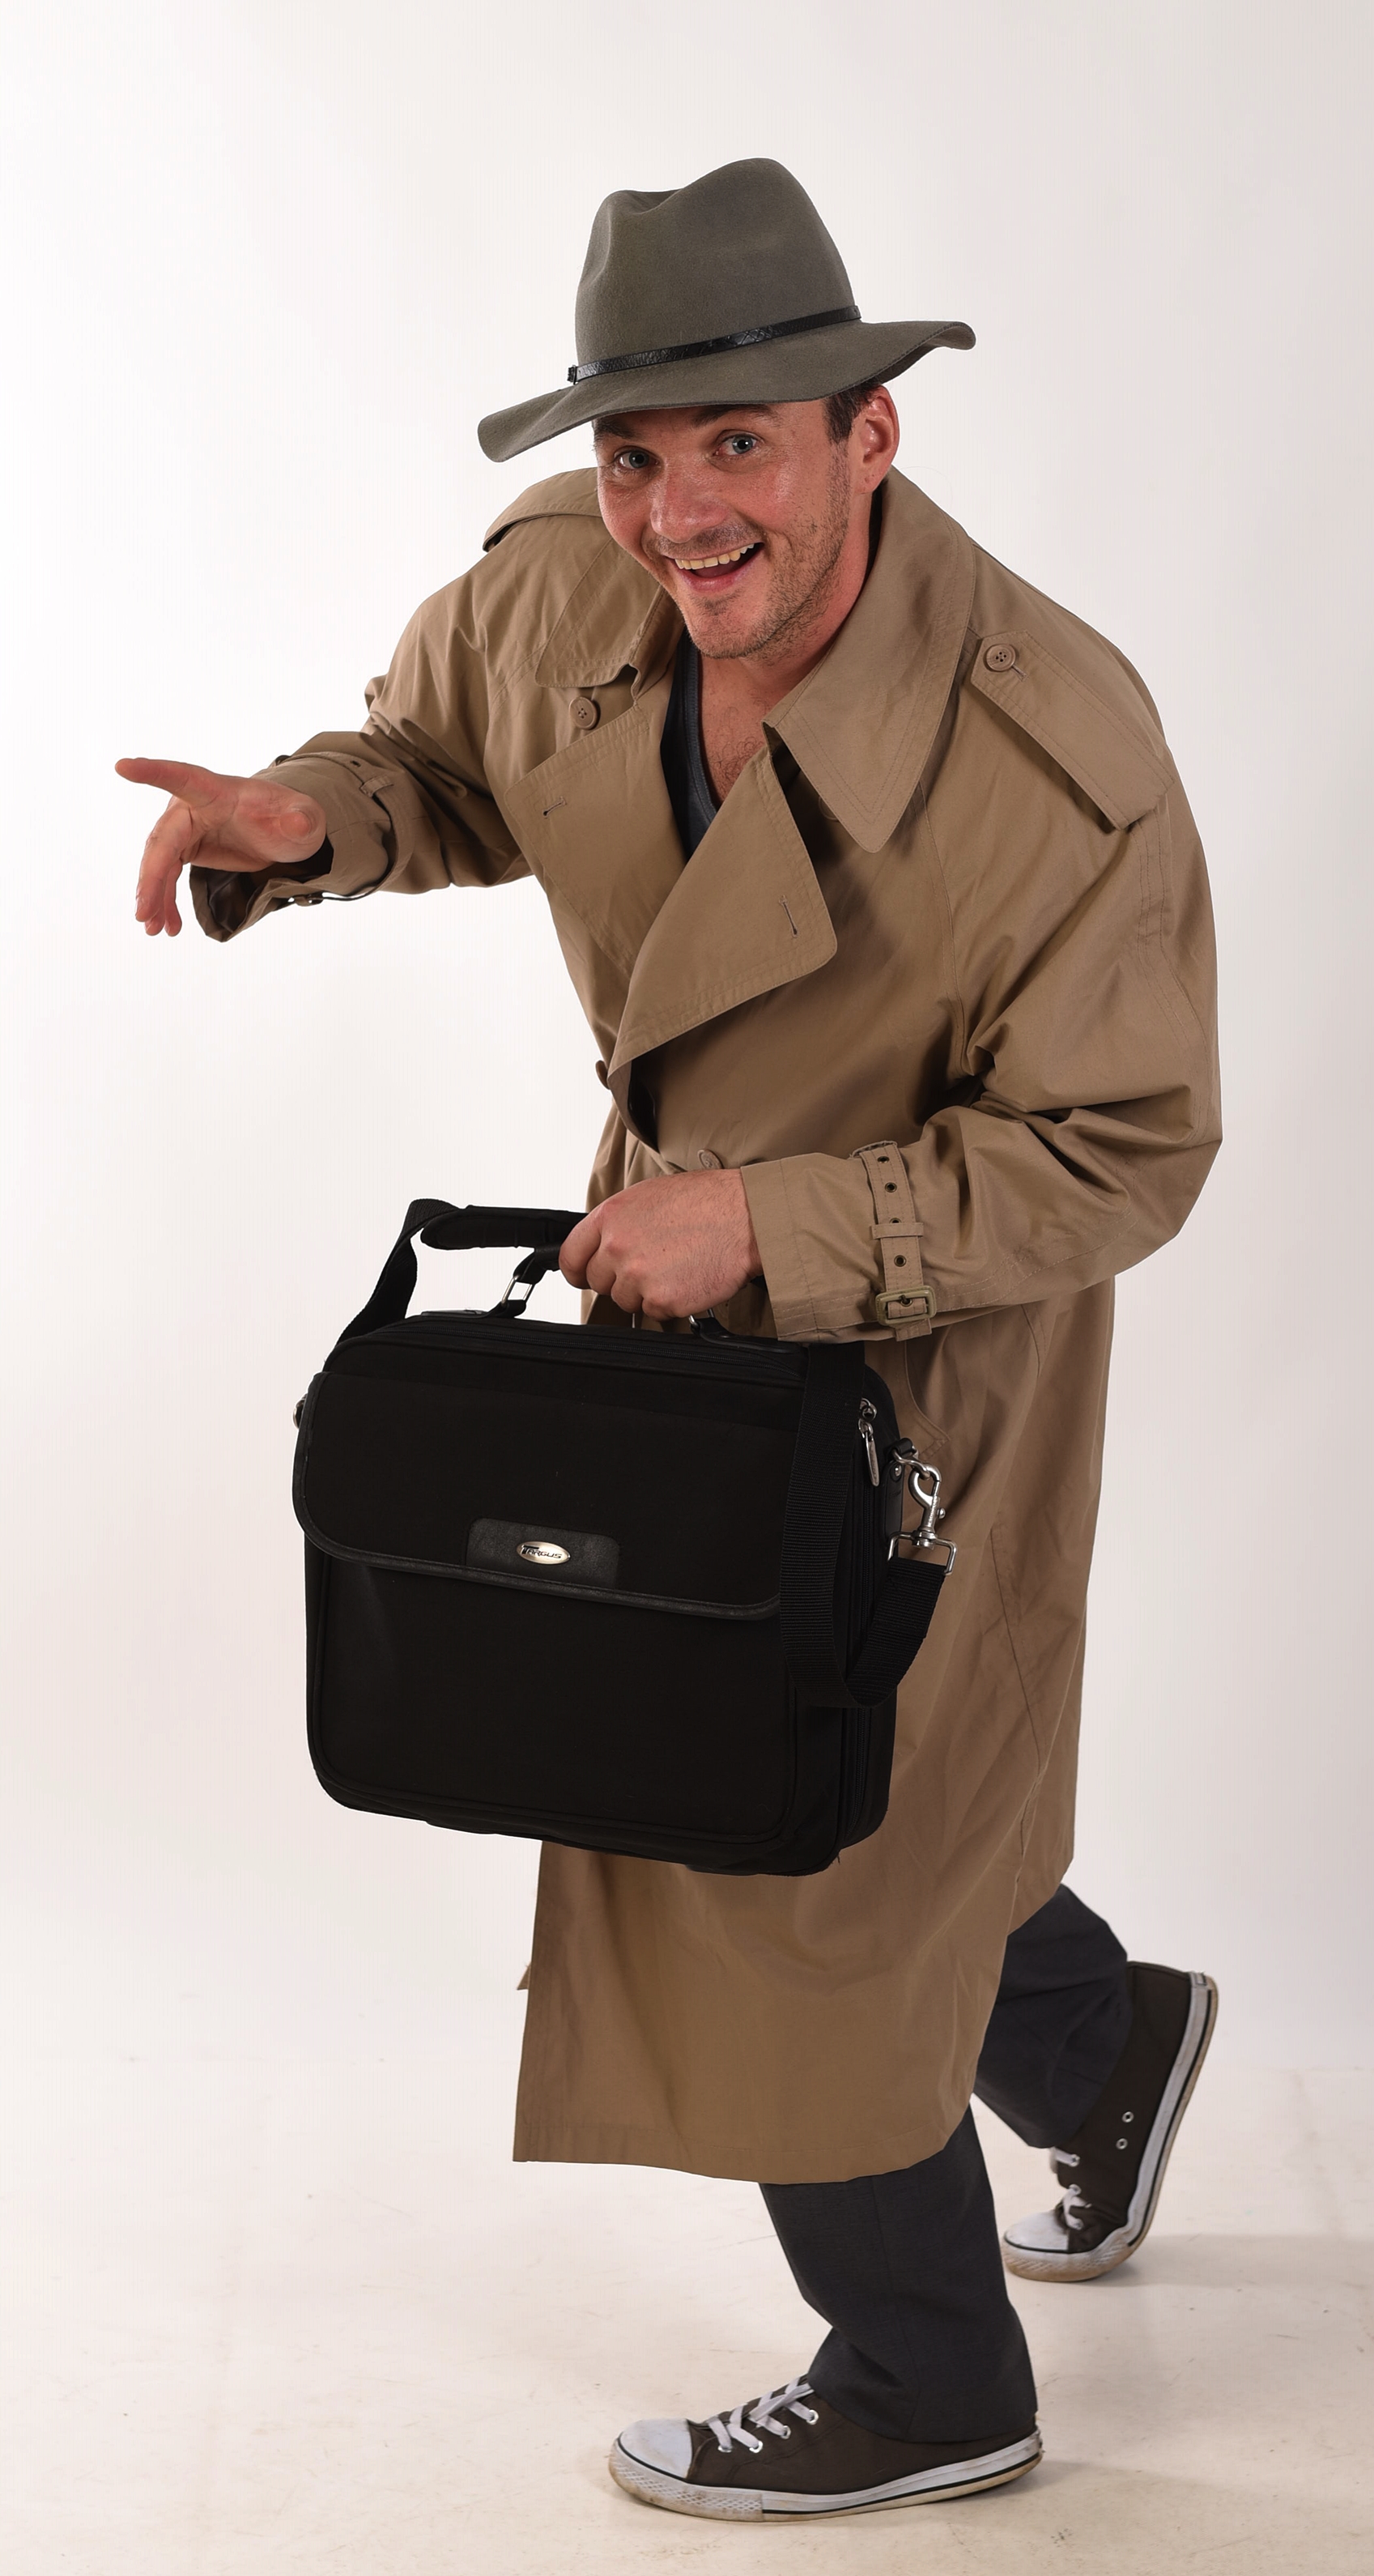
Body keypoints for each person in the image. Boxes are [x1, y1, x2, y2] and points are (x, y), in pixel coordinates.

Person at [121, 159, 1221, 2523]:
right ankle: (1102, 2045)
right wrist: (311, 821)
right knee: (869, 1784)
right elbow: (450, 763)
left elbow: (1120, 1151)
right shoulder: (564, 584)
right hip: (671, 1306)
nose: (680, 510)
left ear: (868, 436)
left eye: (740, 445)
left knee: (783, 1812)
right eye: (636, 452)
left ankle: (929, 2381)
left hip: (924, 1347)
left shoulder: (1058, 755)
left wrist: (775, 1226)